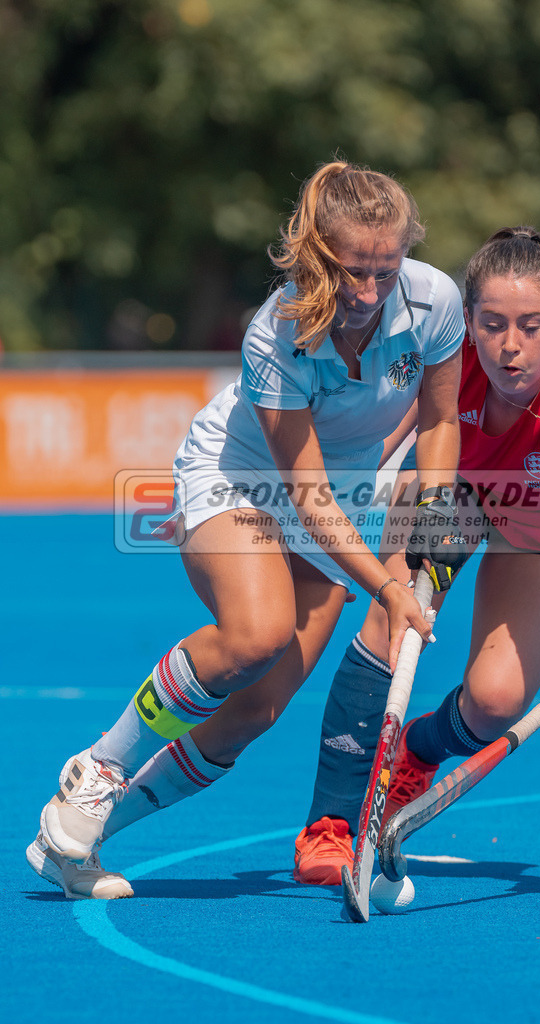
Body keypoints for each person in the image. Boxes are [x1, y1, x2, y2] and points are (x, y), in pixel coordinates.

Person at [27, 160, 468, 899]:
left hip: (347, 491)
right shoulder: (278, 334)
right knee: (256, 634)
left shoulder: (435, 300)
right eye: (354, 271)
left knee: (255, 712)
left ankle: (79, 840)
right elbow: (306, 494)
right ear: (320, 257)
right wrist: (390, 588)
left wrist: (436, 522)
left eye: (385, 272)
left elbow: (444, 418)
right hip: (243, 480)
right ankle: (97, 768)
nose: (369, 292)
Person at [292, 225, 540, 886]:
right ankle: (330, 824)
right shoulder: (449, 357)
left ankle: (416, 752)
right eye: (492, 324)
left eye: (531, 325)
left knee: (497, 701)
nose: (510, 346)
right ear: (468, 321)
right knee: (394, 623)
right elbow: (371, 449)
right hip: (452, 491)